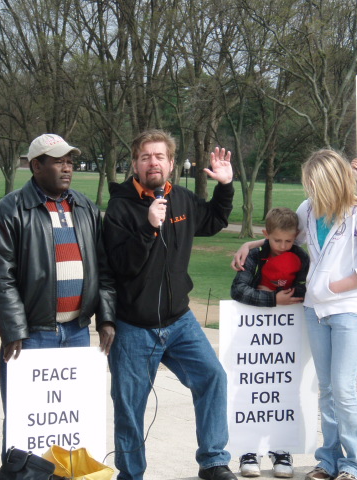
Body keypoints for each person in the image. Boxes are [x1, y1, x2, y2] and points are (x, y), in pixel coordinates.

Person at [233, 150, 357, 480]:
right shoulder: (308, 208)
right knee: (328, 389)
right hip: (315, 312)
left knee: (344, 389)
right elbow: (289, 238)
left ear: (331, 182)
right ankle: (328, 460)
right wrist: (252, 244)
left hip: (348, 311)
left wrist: (335, 286)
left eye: (315, 184)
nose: (310, 190)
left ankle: (355, 465)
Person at [103, 129, 236, 480]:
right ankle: (131, 475)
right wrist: (148, 227)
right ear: (135, 163)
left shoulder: (182, 199)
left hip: (179, 321)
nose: (153, 163)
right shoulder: (119, 207)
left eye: (160, 156)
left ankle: (213, 462)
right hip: (134, 326)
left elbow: (214, 220)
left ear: (172, 163)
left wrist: (225, 187)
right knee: (130, 408)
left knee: (212, 378)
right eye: (145, 157)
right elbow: (121, 266)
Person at [0, 133, 116, 460]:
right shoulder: (12, 209)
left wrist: (107, 317)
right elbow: (0, 275)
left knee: (69, 420)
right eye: (58, 161)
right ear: (36, 165)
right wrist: (12, 329)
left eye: (69, 161)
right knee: (25, 422)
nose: (67, 168)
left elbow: (105, 268)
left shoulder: (85, 207)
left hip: (77, 332)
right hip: (32, 336)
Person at [230, 206, 309, 478]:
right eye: (277, 241)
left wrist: (287, 294)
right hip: (253, 339)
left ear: (296, 237)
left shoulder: (301, 257)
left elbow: (305, 287)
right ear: (266, 235)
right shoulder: (255, 255)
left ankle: (281, 448)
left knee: (285, 389)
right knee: (251, 389)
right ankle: (248, 449)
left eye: (289, 241)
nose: (283, 246)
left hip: (288, 339)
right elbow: (238, 290)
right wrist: (274, 300)